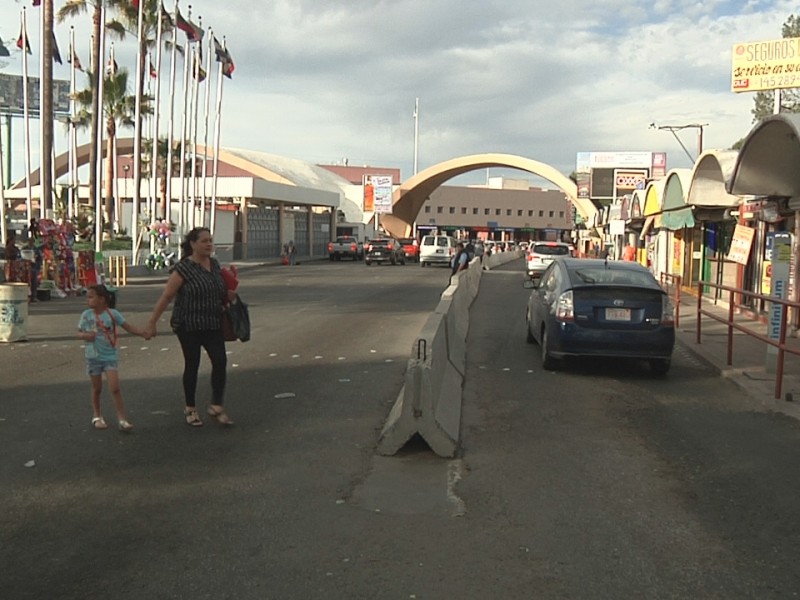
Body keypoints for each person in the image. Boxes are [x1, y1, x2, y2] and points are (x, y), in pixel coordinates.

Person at [144, 227, 237, 427]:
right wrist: (152, 322)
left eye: (210, 240)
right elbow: (167, 296)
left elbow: (219, 290)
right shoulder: (183, 268)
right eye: (204, 241)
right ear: (193, 244)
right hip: (188, 324)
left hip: (212, 322)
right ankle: (190, 408)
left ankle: (216, 405)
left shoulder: (214, 264)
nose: (209, 244)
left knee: (220, 361)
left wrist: (228, 295)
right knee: (192, 364)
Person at [78, 284, 149, 431]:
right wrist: (84, 335)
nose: (88, 300)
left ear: (102, 299)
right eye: (88, 297)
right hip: (93, 356)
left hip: (110, 355)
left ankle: (122, 419)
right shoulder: (86, 315)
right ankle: (97, 415)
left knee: (115, 388)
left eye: (91, 297)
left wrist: (143, 333)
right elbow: (78, 332)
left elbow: (128, 326)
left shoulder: (113, 314)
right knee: (97, 388)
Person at [25, 237, 43, 302]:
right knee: (26, 282)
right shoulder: (25, 248)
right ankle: (26, 297)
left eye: (32, 241)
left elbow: (39, 258)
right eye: (30, 241)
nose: (31, 242)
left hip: (34, 267)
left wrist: (38, 265)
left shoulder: (36, 249)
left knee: (34, 282)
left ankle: (34, 296)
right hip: (25, 268)